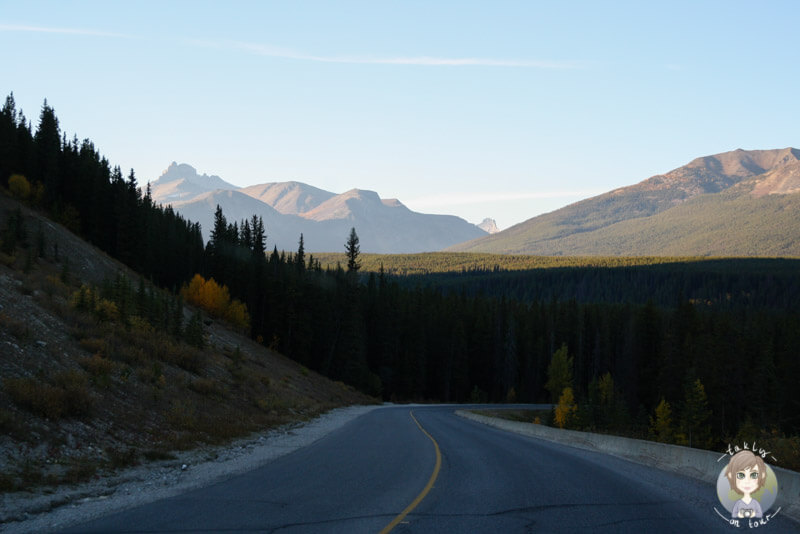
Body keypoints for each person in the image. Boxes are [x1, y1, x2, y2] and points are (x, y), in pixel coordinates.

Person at [725, 450, 767, 519]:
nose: (747, 481)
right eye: (741, 475)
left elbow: (760, 514)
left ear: (762, 476)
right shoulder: (738, 503)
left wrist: (753, 514)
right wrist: (739, 514)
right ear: (731, 476)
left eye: (754, 475)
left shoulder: (755, 503)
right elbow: (734, 514)